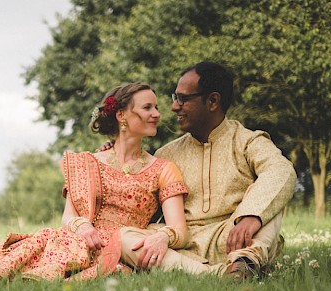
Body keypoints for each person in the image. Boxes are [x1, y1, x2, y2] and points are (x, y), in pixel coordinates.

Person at [0, 82, 191, 284]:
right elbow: (69, 216)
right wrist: (84, 228)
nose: (157, 114)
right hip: (79, 240)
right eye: (148, 107)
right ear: (123, 115)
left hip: (123, 248)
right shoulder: (86, 162)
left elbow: (179, 228)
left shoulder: (163, 168)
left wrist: (163, 237)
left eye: (156, 107)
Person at [120, 62, 297, 278]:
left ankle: (243, 263)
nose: (175, 107)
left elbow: (282, 170)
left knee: (270, 202)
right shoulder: (167, 154)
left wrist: (251, 217)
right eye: (175, 98)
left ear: (213, 101)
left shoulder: (247, 141)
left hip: (234, 238)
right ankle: (220, 275)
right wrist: (115, 157)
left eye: (183, 99)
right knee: (123, 236)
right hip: (182, 243)